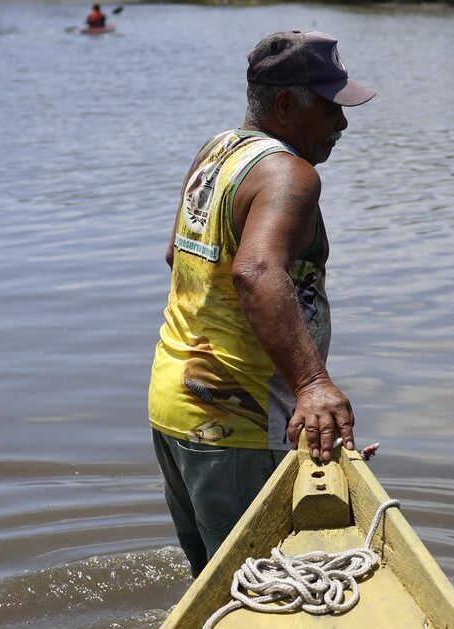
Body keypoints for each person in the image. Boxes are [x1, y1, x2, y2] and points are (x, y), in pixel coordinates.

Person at [148, 30, 375, 575]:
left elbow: (174, 257)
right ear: (285, 105)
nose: (341, 124)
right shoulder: (288, 174)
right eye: (329, 108)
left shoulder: (218, 152)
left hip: (176, 407)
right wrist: (312, 386)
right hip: (240, 424)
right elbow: (254, 271)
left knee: (220, 591)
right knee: (263, 600)